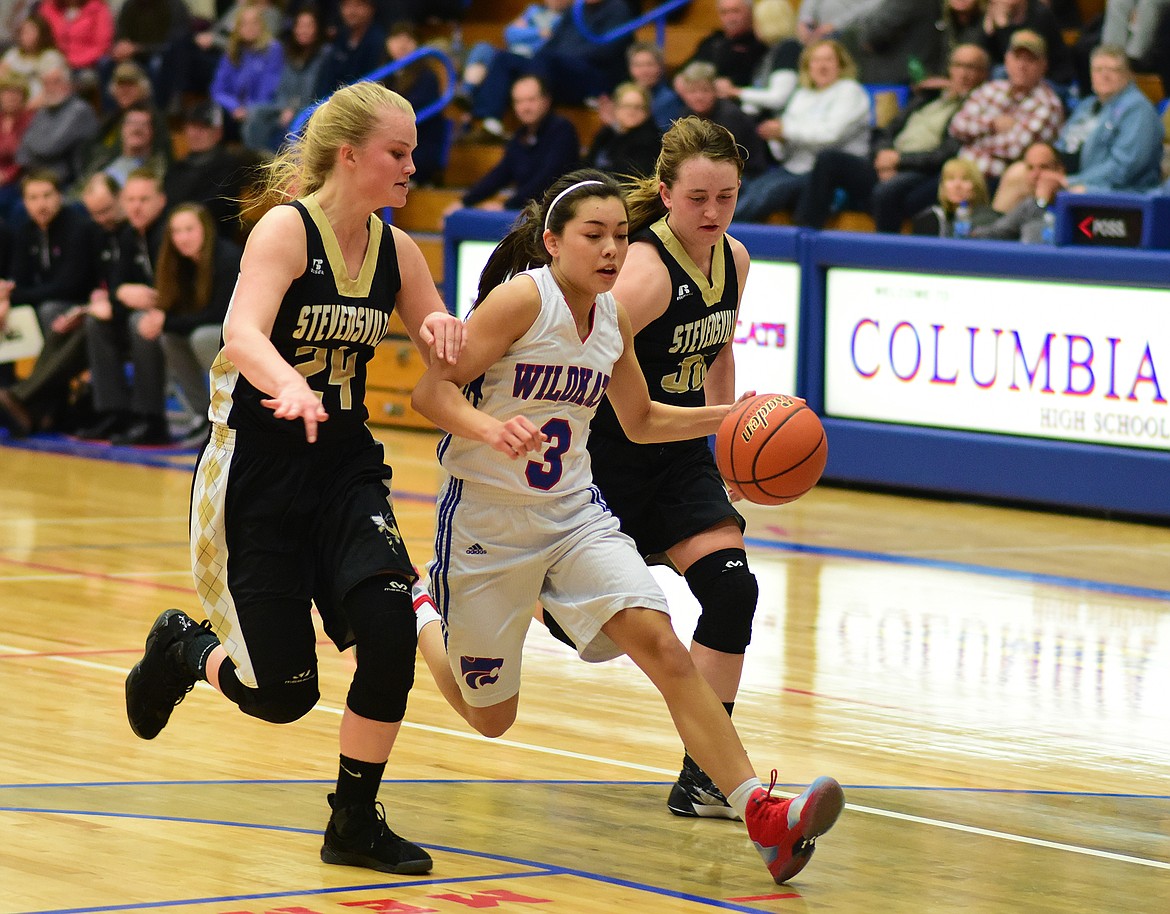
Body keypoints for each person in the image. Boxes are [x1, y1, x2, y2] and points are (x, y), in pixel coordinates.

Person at [409, 165, 845, 886]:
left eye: (619, 235)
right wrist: (490, 429)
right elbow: (432, 393)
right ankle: (420, 605)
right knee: (493, 719)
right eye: (594, 236)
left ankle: (759, 813)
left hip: (575, 515)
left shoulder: (610, 317)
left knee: (663, 642)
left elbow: (641, 422)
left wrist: (733, 416)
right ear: (553, 242)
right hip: (488, 524)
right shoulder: (523, 301)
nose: (612, 250)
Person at [123, 80, 464, 876]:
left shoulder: (399, 251)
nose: (414, 164)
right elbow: (241, 332)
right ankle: (182, 648)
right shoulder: (285, 228)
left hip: (345, 468)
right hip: (259, 475)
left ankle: (352, 822)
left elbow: (446, 360)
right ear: (350, 155)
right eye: (399, 152)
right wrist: (288, 381)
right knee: (282, 694)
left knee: (388, 636)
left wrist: (455, 333)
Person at [794, 42, 990, 231]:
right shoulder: (929, 96)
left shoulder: (976, 109)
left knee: (886, 192)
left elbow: (946, 153)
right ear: (950, 69)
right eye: (959, 65)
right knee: (829, 159)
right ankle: (804, 235)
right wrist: (883, 154)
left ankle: (882, 257)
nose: (964, 73)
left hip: (922, 170)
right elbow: (890, 129)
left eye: (972, 67)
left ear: (983, 74)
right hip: (889, 159)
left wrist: (900, 162)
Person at [0, 169, 99, 436]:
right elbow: (17, 282)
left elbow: (70, 285)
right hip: (50, 307)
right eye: (33, 198)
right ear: (24, 202)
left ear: (59, 197)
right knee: (15, 311)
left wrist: (18, 295)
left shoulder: (78, 228)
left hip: (80, 307)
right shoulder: (26, 232)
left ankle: (21, 398)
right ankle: (26, 402)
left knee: (50, 312)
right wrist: (9, 297)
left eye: (46, 196)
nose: (41, 204)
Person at [734, 40, 870, 223]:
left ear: (840, 65)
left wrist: (786, 131)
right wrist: (778, 138)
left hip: (824, 174)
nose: (821, 66)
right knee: (747, 188)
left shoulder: (850, 91)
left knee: (764, 196)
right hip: (794, 167)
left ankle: (723, 233)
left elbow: (830, 135)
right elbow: (785, 149)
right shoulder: (801, 95)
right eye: (815, 61)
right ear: (807, 67)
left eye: (828, 60)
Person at [82, 166, 170, 445]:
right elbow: (117, 287)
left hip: (177, 315)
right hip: (149, 313)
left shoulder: (171, 231)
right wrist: (122, 293)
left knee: (139, 323)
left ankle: (151, 419)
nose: (136, 207)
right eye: (130, 200)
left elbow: (186, 289)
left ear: (161, 200)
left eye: (144, 200)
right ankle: (113, 410)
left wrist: (159, 305)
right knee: (96, 322)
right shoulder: (130, 235)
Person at [152, 202, 242, 447]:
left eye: (189, 229)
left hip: (240, 334)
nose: (183, 238)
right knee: (169, 338)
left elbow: (220, 315)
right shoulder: (177, 263)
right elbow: (176, 311)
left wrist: (167, 321)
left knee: (200, 336)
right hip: (208, 329)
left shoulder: (227, 257)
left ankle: (234, 411)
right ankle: (202, 416)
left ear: (205, 229)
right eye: (176, 232)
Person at [445, 74, 578, 214]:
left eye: (531, 100)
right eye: (518, 102)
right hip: (529, 212)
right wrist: (465, 201)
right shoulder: (520, 136)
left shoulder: (562, 130)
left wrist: (508, 205)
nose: (525, 107)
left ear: (546, 100)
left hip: (560, 212)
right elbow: (500, 174)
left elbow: (548, 178)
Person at [947, 28, 1063, 185]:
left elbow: (1014, 149)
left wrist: (972, 142)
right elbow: (956, 126)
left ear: (1043, 66)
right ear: (1007, 60)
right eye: (1017, 58)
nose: (1022, 65)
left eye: (1030, 60)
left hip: (996, 179)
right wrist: (992, 124)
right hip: (959, 174)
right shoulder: (991, 88)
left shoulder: (1048, 105)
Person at [1054, 44, 1164, 194]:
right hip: (1071, 180)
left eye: (1113, 70)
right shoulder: (1086, 105)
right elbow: (1062, 145)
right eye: (1098, 70)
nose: (1104, 76)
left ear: (1129, 75)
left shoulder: (1138, 109)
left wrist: (1073, 181)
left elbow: (1124, 167)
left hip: (1117, 192)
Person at [241, 4, 325, 153]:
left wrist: (293, 110)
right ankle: (254, 160)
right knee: (255, 113)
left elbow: (316, 94)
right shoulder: (290, 55)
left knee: (290, 127)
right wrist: (284, 108)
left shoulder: (325, 56)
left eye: (308, 26)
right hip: (282, 107)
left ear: (318, 29)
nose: (303, 30)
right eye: (299, 26)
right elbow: (281, 90)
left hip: (308, 113)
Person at [971, 139, 1065, 240]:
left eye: (1044, 167)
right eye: (1030, 168)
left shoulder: (1073, 204)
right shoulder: (1030, 204)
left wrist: (1042, 202)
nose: (1035, 175)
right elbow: (997, 231)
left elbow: (1042, 240)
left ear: (1059, 171)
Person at [583, 81, 661, 179]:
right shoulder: (608, 133)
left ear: (647, 111)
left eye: (637, 107)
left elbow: (630, 177)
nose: (631, 112)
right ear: (616, 108)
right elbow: (585, 165)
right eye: (626, 106)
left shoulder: (650, 141)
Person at [910, 155, 999, 234]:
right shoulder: (930, 219)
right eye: (950, 179)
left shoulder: (990, 221)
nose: (957, 185)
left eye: (965, 179)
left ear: (977, 186)